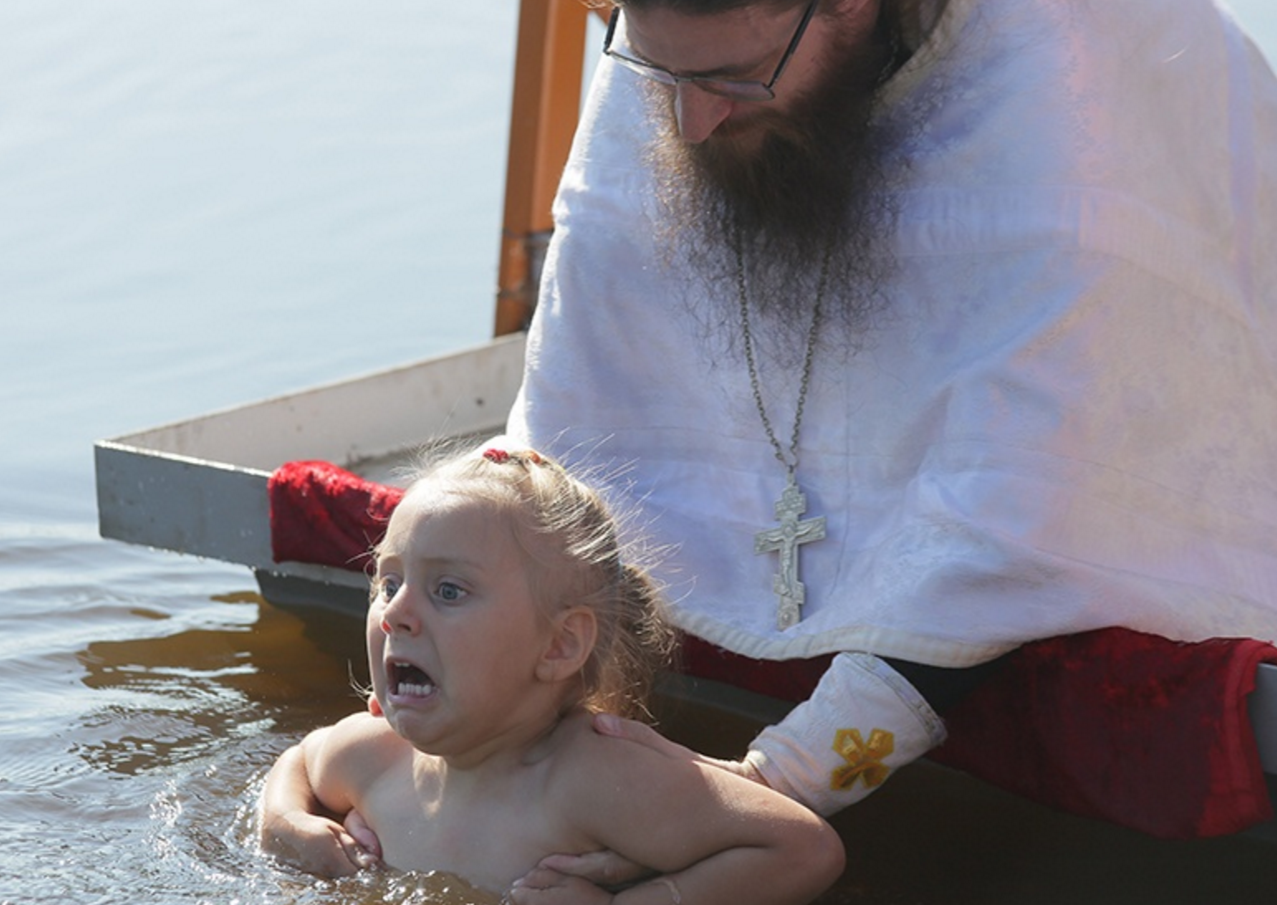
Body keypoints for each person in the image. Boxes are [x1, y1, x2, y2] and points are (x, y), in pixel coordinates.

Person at [264, 0, 1277, 869]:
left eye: (734, 81)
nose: (692, 122)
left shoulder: (1067, 94)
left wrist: (759, 787)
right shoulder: (683, 55)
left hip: (1117, 415)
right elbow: (596, 323)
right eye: (658, 70)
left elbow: (1029, 495)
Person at [257, 447, 845, 903]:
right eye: (388, 582)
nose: (397, 612)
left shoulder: (594, 781)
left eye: (448, 590)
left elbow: (804, 848)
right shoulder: (373, 754)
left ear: (560, 644)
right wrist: (286, 822)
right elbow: (300, 762)